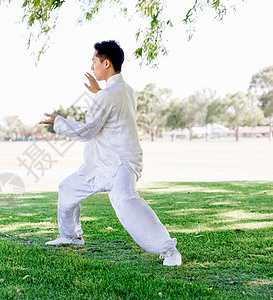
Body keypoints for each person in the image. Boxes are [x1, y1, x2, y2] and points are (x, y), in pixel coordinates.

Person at [39, 40, 182, 266]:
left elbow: (88, 131)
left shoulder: (108, 95)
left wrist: (58, 121)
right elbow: (113, 109)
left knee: (126, 200)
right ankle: (70, 236)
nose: (92, 66)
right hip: (100, 164)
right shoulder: (126, 91)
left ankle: (168, 249)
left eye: (94, 61)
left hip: (120, 164)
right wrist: (99, 92)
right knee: (67, 188)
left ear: (106, 63)